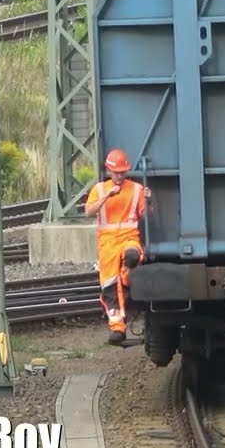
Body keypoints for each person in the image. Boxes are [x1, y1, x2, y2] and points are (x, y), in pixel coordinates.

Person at [84, 148, 148, 345]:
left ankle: (126, 281)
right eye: (116, 172)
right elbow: (89, 212)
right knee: (110, 287)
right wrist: (106, 197)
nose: (119, 175)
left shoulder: (136, 189)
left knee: (131, 257)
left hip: (129, 239)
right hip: (108, 245)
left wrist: (149, 199)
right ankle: (117, 328)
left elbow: (146, 216)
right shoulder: (100, 189)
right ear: (109, 171)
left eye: (122, 172)